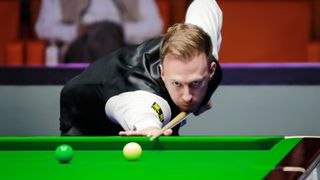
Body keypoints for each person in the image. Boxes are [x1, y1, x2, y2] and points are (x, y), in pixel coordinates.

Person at [59, 0, 223, 137]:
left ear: (211, 70)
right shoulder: (144, 97)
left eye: (195, 83)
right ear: (162, 73)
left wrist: (202, 93)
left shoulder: (202, 47)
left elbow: (205, 5)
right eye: (177, 84)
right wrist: (148, 127)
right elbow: (143, 111)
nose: (187, 97)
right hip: (85, 116)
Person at [35, 0, 163, 63]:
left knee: (107, 32)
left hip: (124, 44)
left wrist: (123, 30)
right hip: (80, 45)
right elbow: (42, 28)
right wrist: (76, 30)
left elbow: (156, 25)